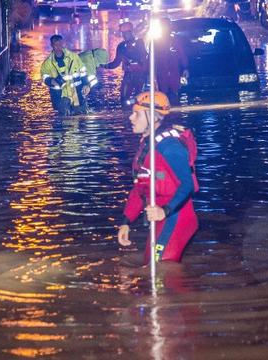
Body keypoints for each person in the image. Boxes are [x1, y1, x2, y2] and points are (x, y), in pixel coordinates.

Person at [118, 91, 199, 264]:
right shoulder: (147, 145)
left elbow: (187, 185)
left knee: (159, 269)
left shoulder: (169, 147)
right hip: (160, 217)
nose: (131, 118)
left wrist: (165, 211)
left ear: (153, 117)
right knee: (151, 264)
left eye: (136, 114)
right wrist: (126, 221)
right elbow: (141, 186)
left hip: (176, 216)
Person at [40, 35, 91, 116]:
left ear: (63, 44)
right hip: (60, 97)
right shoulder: (47, 63)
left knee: (80, 118)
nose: (58, 47)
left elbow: (83, 71)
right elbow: (44, 77)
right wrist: (52, 81)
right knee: (64, 121)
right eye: (55, 45)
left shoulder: (73, 57)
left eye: (60, 44)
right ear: (52, 45)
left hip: (77, 94)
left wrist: (86, 84)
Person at [101, 22, 148, 107]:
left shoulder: (139, 43)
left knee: (139, 100)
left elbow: (144, 59)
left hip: (139, 76)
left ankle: (137, 115)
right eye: (123, 33)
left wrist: (146, 74)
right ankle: (126, 115)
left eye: (125, 33)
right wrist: (103, 65)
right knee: (124, 100)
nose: (124, 35)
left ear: (131, 32)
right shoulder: (122, 46)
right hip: (129, 76)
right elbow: (116, 63)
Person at [154, 18, 188, 105]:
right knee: (163, 96)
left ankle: (174, 115)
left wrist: (185, 68)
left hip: (173, 72)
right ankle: (168, 115)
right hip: (162, 73)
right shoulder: (156, 42)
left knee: (173, 95)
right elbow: (151, 59)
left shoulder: (175, 40)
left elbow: (182, 55)